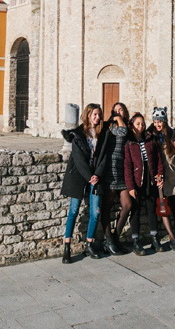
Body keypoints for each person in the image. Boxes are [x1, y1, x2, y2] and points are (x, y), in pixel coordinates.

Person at [60, 103, 112, 263]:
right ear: (88, 115)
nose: (97, 117)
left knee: (95, 212)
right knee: (73, 210)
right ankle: (67, 247)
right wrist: (90, 176)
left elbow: (104, 157)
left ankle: (90, 244)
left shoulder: (103, 134)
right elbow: (78, 159)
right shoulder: (78, 134)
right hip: (79, 176)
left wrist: (97, 175)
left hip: (96, 177)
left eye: (99, 115)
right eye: (95, 114)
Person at [122, 112, 161, 255]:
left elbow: (158, 158)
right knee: (136, 210)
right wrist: (131, 187)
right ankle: (136, 241)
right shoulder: (129, 143)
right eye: (138, 124)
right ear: (132, 125)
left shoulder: (150, 139)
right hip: (137, 180)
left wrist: (159, 175)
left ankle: (155, 238)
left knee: (151, 209)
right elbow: (127, 166)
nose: (141, 126)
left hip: (150, 179)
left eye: (143, 123)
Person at [148, 107, 175, 251]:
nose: (157, 124)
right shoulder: (150, 135)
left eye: (160, 121)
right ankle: (172, 238)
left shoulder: (173, 134)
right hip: (159, 175)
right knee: (163, 206)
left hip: (173, 174)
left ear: (165, 121)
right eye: (155, 121)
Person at [103, 102, 132, 255]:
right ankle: (108, 240)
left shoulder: (128, 126)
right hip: (111, 169)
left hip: (123, 169)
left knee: (127, 205)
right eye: (116, 111)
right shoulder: (112, 126)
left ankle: (115, 237)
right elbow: (122, 132)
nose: (119, 112)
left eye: (121, 110)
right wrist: (118, 119)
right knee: (106, 207)